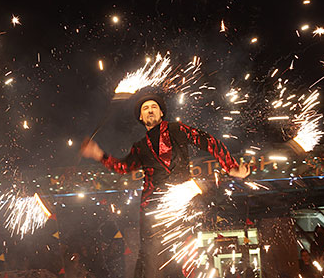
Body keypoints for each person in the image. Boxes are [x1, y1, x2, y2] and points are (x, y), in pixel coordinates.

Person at [81, 93, 250, 278]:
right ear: (141, 117)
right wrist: (98, 154)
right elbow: (123, 167)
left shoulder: (177, 129)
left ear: (161, 113)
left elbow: (208, 141)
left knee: (189, 255)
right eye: (145, 108)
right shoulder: (140, 146)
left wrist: (231, 167)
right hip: (152, 210)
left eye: (153, 106)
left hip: (181, 205)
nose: (150, 110)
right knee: (149, 260)